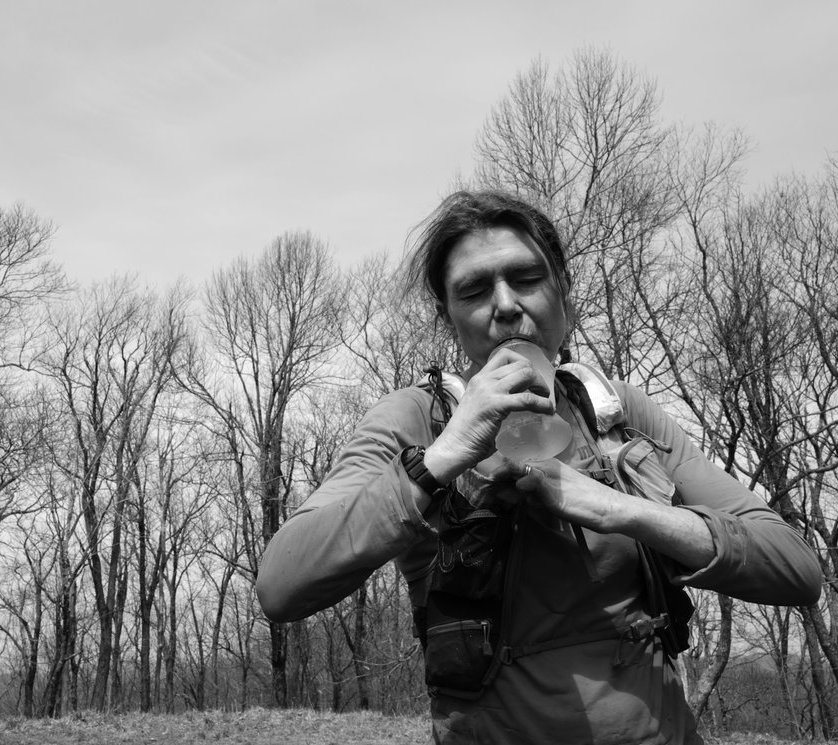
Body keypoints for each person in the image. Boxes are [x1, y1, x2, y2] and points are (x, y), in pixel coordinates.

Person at [255, 190, 822, 744]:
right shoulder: (414, 421)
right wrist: (443, 459)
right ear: (448, 316)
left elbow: (796, 568)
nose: (505, 305)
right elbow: (281, 587)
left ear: (563, 295)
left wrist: (617, 508)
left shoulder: (618, 411)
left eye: (526, 279)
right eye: (474, 289)